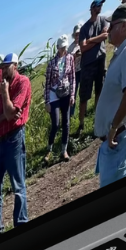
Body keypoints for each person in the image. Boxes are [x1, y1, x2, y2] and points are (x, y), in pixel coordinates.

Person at [93, 2, 126, 187]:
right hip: (120, 135)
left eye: (113, 25)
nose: (108, 29)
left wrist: (114, 126)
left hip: (121, 136)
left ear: (124, 26)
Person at [0, 52, 31, 236]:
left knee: (17, 186)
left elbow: (12, 112)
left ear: (15, 66)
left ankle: (21, 224)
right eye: (2, 67)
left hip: (14, 138)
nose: (3, 70)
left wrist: (4, 95)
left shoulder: (23, 82)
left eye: (6, 67)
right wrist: (6, 114)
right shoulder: (3, 86)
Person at [73, 0, 110, 137]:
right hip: (87, 64)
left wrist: (89, 41)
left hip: (100, 60)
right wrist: (96, 39)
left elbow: (105, 35)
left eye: (101, 5)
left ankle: (97, 121)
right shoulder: (84, 28)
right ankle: (81, 125)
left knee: (99, 92)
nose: (101, 7)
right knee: (84, 95)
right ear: (93, 7)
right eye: (98, 5)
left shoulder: (104, 20)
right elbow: (82, 48)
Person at [44, 33, 76, 163]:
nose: (63, 49)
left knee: (66, 123)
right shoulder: (52, 63)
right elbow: (47, 83)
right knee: (56, 123)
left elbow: (73, 77)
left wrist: (73, 95)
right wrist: (47, 101)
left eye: (65, 47)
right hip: (53, 95)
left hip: (66, 93)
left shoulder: (70, 58)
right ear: (57, 47)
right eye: (61, 47)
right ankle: (49, 149)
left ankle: (64, 150)